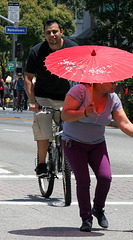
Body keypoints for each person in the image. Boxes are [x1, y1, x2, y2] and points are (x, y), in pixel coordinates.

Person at [61, 82, 133, 232]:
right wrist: (83, 113)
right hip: (74, 143)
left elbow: (124, 123)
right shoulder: (80, 91)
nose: (116, 84)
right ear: (99, 80)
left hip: (97, 144)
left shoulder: (113, 98)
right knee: (83, 181)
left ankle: (98, 208)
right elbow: (65, 114)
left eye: (116, 81)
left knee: (105, 177)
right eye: (112, 81)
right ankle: (86, 218)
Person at [24, 19, 78, 177]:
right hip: (43, 98)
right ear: (45, 35)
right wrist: (33, 101)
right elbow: (28, 77)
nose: (52, 35)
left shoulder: (73, 48)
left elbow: (82, 71)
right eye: (48, 32)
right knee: (43, 130)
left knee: (74, 132)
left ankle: (72, 161)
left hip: (68, 97)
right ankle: (41, 164)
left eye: (54, 31)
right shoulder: (37, 51)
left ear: (62, 31)